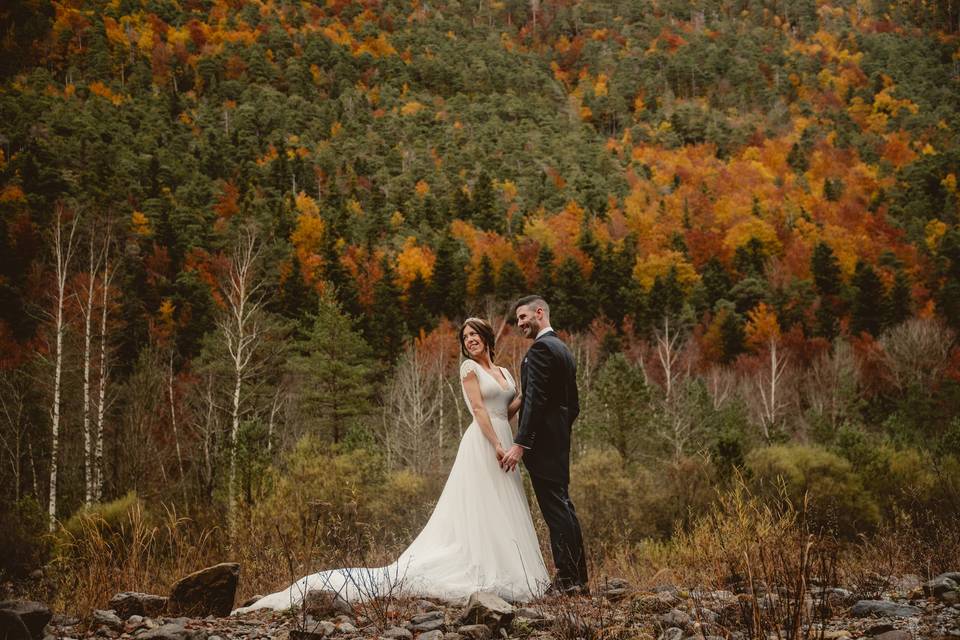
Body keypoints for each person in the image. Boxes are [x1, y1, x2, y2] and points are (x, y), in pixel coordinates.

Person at [233, 318, 548, 613]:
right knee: (482, 505)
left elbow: (505, 410)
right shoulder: (468, 368)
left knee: (505, 506)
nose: (470, 341)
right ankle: (482, 569)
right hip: (483, 443)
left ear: (487, 337)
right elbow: (479, 410)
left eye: (474, 335)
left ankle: (510, 567)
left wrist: (529, 396)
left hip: (505, 439)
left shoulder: (505, 372)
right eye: (465, 337)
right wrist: (495, 443)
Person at [500, 295, 588, 595]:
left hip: (543, 445)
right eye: (518, 319)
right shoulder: (563, 350)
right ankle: (578, 580)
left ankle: (566, 580)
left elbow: (535, 400)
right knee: (564, 508)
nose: (520, 323)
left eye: (524, 317)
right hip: (559, 442)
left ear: (540, 312)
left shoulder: (539, 351)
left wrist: (522, 443)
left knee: (555, 511)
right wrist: (559, 431)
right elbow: (573, 406)